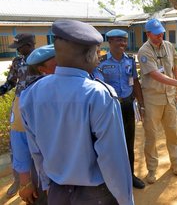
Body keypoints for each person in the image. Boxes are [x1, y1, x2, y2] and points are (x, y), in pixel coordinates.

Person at [19, 19, 134, 204]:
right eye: (97, 52)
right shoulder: (99, 94)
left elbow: (36, 150)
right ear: (89, 56)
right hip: (95, 195)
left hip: (57, 191)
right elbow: (113, 160)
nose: (99, 57)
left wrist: (48, 185)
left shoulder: (30, 94)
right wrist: (126, 201)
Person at [137, 18, 177, 184]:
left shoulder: (168, 46)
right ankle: (152, 170)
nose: (160, 36)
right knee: (151, 136)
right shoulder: (144, 51)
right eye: (156, 34)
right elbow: (155, 75)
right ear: (148, 34)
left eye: (161, 33)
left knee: (172, 133)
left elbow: (175, 68)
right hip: (152, 99)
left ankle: (175, 163)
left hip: (169, 97)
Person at [93, 29, 145, 189]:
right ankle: (112, 178)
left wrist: (141, 104)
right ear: (109, 42)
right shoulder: (101, 63)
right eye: (118, 40)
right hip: (111, 108)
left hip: (128, 105)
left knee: (129, 141)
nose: (122, 43)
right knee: (111, 143)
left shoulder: (129, 60)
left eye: (124, 40)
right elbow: (98, 85)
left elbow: (135, 82)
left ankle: (130, 175)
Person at [14, 44, 56, 204]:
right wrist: (25, 181)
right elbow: (19, 140)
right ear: (42, 69)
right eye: (58, 64)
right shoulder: (26, 98)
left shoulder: (67, 92)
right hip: (42, 175)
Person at [0, 33, 35, 198]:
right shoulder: (17, 61)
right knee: (17, 145)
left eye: (20, 46)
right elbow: (10, 83)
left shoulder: (44, 60)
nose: (18, 50)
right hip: (19, 106)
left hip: (38, 106)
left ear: (29, 44)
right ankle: (18, 180)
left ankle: (40, 180)